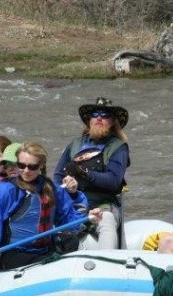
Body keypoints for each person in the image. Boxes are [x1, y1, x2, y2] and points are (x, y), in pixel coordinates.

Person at [0, 142, 101, 270]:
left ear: (41, 165)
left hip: (44, 249)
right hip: (12, 253)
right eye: (21, 165)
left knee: (70, 242)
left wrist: (88, 218)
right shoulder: (7, 190)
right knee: (53, 260)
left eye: (32, 166)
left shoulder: (51, 189)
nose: (26, 171)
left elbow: (68, 220)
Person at [54, 96, 130, 249]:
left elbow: (114, 180)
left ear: (113, 121)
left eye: (105, 115)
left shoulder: (118, 147)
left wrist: (85, 174)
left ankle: (107, 261)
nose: (99, 118)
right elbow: (57, 176)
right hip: (73, 204)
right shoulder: (75, 144)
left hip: (103, 205)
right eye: (95, 114)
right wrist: (66, 184)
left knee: (107, 219)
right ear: (89, 120)